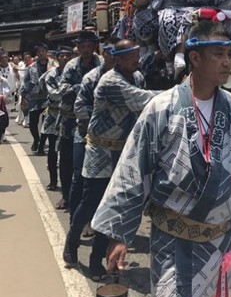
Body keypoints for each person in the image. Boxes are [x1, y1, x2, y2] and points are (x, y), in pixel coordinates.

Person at [92, 21, 231, 297]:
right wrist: (119, 234)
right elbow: (134, 169)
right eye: (219, 54)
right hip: (173, 245)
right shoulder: (161, 107)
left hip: (219, 242)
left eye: (229, 54)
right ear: (195, 58)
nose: (227, 62)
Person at [64, 39, 157, 280]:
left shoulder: (136, 77)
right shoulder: (110, 81)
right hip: (100, 151)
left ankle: (97, 260)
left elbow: (143, 109)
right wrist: (180, 92)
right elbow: (145, 99)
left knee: (111, 207)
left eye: (138, 54)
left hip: (122, 151)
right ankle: (71, 243)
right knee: (90, 203)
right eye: (132, 56)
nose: (137, 59)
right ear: (117, 59)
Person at [57, 31, 101, 213]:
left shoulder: (102, 64)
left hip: (94, 120)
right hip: (70, 119)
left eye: (90, 46)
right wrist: (82, 87)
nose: (86, 50)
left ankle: (89, 205)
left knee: (91, 166)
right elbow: (62, 88)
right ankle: (66, 196)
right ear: (78, 47)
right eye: (82, 46)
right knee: (67, 161)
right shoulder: (71, 66)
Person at [41, 47, 71, 191]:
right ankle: (53, 180)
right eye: (62, 56)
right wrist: (71, 90)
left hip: (70, 115)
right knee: (52, 149)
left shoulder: (75, 72)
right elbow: (53, 94)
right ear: (57, 58)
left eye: (68, 56)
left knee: (67, 151)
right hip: (53, 115)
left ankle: (69, 183)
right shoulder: (51, 75)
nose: (65, 58)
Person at [19, 43, 55, 154]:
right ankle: (36, 139)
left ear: (46, 52)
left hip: (48, 99)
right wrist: (23, 97)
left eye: (43, 51)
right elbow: (25, 83)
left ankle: (42, 145)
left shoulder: (53, 66)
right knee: (33, 123)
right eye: (38, 51)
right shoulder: (32, 68)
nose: (41, 53)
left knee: (46, 123)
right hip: (34, 98)